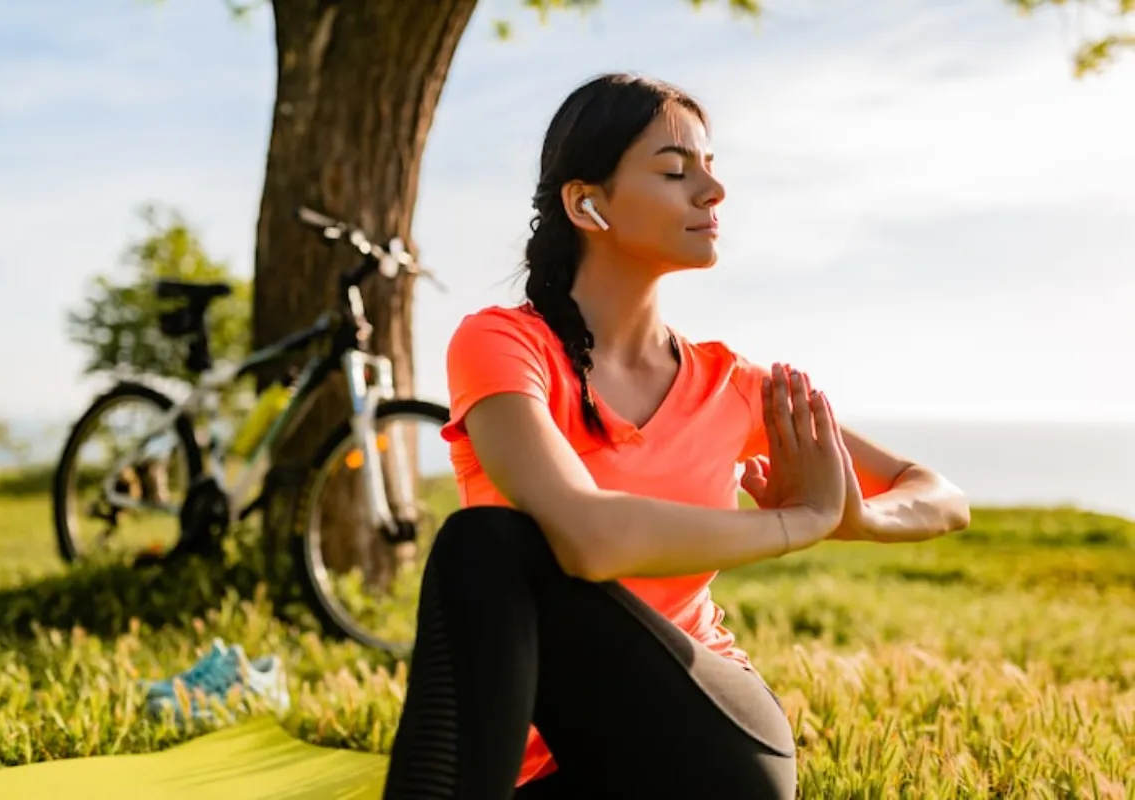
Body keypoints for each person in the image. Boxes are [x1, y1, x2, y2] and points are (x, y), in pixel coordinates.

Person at [383, 73, 970, 799]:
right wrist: (798, 522)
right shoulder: (504, 346)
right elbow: (589, 538)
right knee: (490, 546)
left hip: (703, 743)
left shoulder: (735, 385)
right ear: (586, 203)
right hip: (554, 768)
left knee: (483, 545)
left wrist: (854, 516)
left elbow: (941, 496)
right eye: (674, 170)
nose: (712, 192)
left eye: (712, 168)